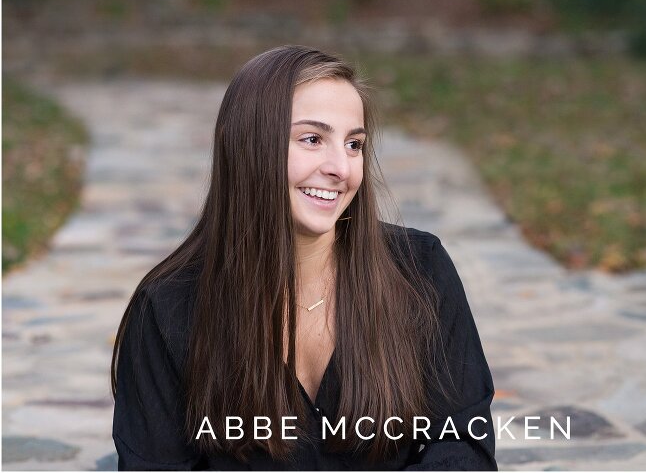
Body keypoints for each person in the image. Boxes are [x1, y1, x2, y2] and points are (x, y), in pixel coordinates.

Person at [111, 45, 497, 470]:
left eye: (354, 144)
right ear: (249, 148)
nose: (341, 168)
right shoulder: (168, 307)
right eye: (312, 139)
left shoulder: (420, 270)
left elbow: (464, 445)